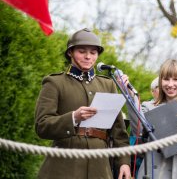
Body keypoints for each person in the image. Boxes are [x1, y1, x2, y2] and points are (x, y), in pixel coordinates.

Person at [34, 28, 131, 179]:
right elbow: (42, 126)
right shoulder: (54, 83)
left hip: (99, 168)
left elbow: (119, 131)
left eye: (93, 52)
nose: (88, 56)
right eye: (82, 51)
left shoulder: (108, 85)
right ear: (70, 53)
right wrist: (73, 117)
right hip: (64, 167)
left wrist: (124, 162)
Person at [120, 59, 177, 179]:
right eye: (166, 79)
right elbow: (138, 130)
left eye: (176, 79)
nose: (170, 84)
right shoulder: (148, 107)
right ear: (160, 81)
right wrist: (128, 94)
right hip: (156, 172)